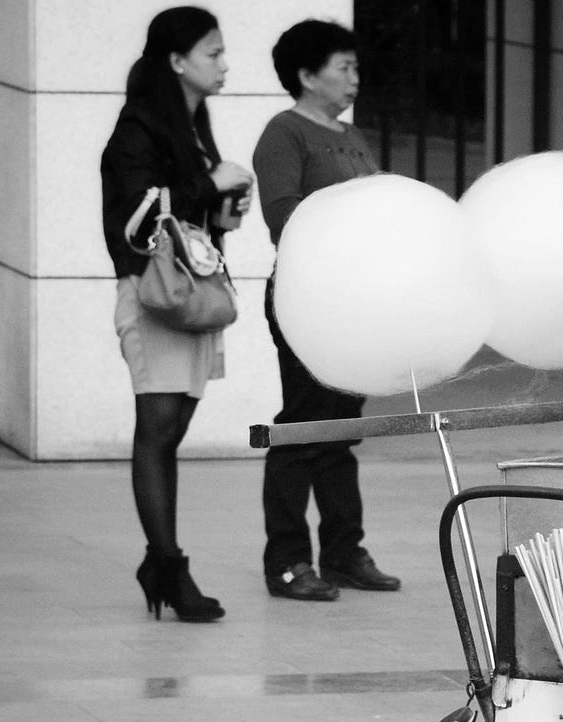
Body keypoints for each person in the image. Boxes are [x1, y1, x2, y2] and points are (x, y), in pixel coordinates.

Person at [101, 6, 253, 622]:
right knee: (157, 431)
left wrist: (223, 206)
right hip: (154, 297)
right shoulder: (138, 127)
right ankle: (166, 565)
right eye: (213, 53)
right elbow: (135, 219)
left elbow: (191, 210)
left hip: (188, 295)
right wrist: (210, 184)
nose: (223, 64)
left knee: (170, 431)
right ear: (177, 60)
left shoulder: (193, 121)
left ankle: (161, 563)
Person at [252, 19, 400, 602]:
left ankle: (343, 552)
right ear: (307, 74)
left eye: (355, 67)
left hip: (352, 304)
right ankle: (287, 560)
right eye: (344, 67)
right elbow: (283, 217)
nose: (354, 78)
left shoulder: (350, 134)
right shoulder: (283, 133)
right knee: (303, 427)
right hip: (305, 299)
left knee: (341, 430)